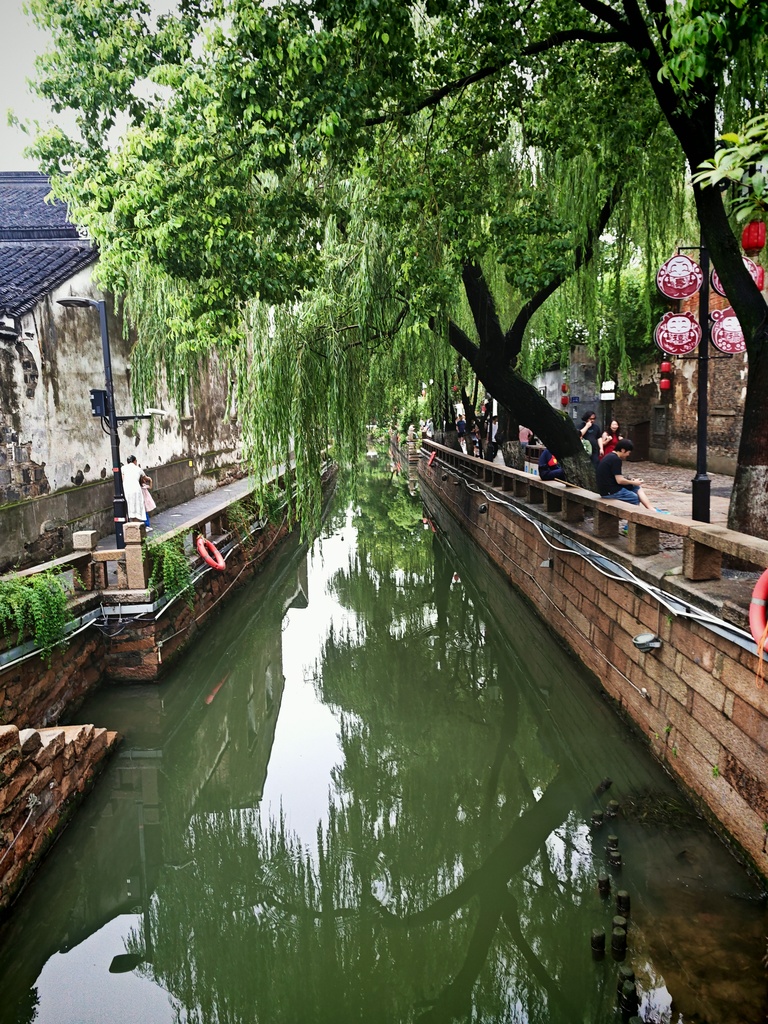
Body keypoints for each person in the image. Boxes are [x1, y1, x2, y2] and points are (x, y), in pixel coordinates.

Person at [595, 439, 654, 509]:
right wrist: (633, 482)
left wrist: (631, 481)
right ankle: (634, 514)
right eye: (628, 452)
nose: (628, 455)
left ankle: (651, 509)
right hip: (610, 491)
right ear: (623, 450)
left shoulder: (610, 456)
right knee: (634, 498)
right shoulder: (616, 460)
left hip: (606, 489)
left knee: (636, 487)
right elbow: (619, 480)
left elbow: (615, 476)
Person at [122, 455, 148, 523]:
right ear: (135, 461)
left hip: (127, 489)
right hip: (136, 489)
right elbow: (145, 477)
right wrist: (150, 479)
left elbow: (122, 478)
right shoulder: (138, 469)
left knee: (129, 505)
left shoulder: (123, 468)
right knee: (137, 505)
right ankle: (137, 522)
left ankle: (131, 522)